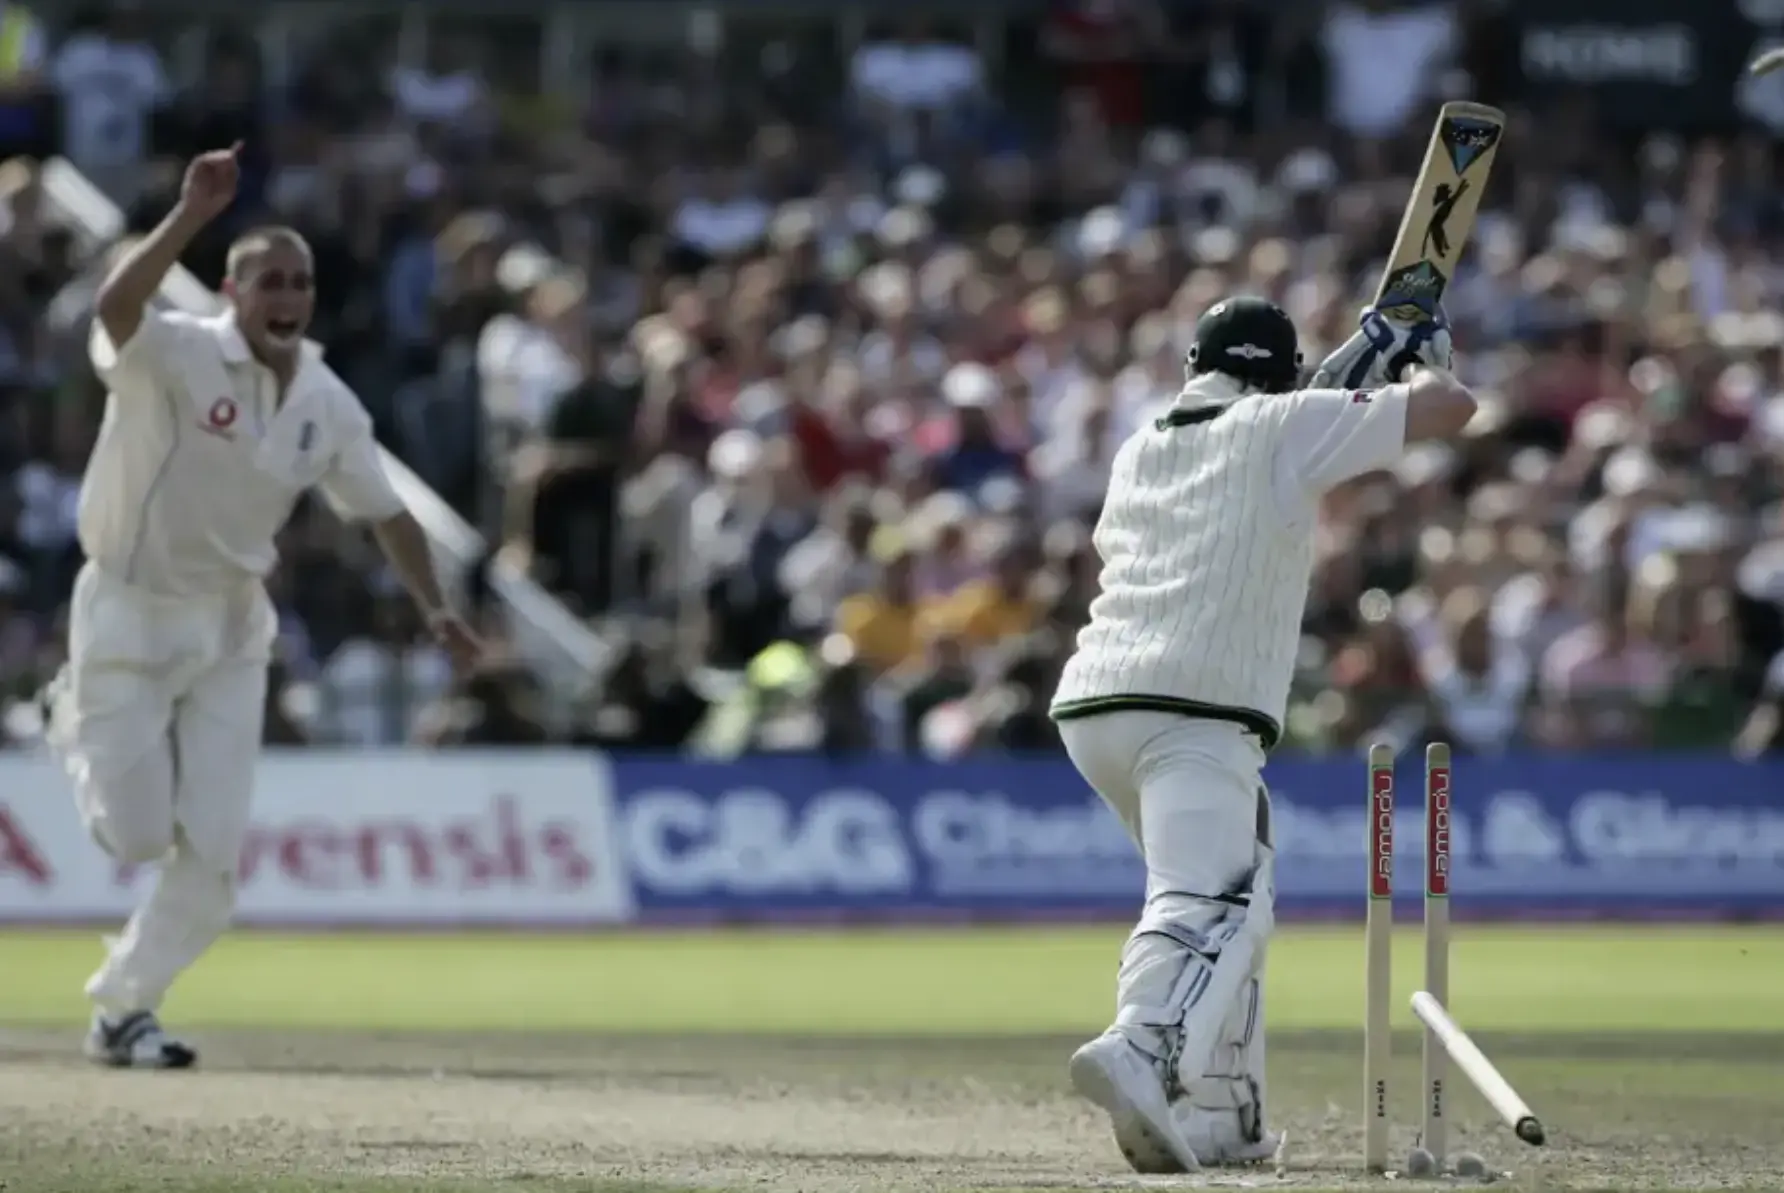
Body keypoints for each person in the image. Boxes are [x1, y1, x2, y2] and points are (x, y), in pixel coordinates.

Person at [40, 143, 482, 1068]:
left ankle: (125, 1008)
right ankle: (66, 714)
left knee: (213, 863)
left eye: (300, 281)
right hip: (126, 608)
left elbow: (388, 513)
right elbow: (116, 307)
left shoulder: (325, 397)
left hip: (231, 626)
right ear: (235, 292)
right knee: (138, 833)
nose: (287, 296)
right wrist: (191, 216)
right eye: (269, 281)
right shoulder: (176, 351)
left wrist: (436, 609)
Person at [1047, 297, 1475, 1170]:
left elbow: (1290, 428)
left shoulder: (1143, 444)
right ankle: (1143, 1043)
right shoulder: (1285, 425)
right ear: (1281, 375)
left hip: (1096, 707)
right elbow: (1451, 410)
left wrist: (1367, 366)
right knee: (1213, 900)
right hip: (1195, 706)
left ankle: (1220, 1114)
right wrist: (1424, 359)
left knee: (1245, 891)